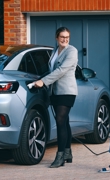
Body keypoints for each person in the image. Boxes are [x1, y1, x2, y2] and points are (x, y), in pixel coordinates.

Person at [33, 27, 78, 168]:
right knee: (65, 122)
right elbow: (51, 69)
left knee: (60, 121)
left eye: (67, 37)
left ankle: (60, 156)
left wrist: (44, 81)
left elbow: (61, 70)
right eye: (62, 37)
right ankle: (68, 152)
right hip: (55, 92)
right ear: (56, 37)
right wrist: (39, 79)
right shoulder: (54, 50)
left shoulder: (72, 51)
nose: (65, 39)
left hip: (67, 91)